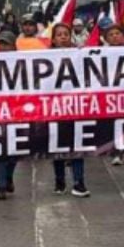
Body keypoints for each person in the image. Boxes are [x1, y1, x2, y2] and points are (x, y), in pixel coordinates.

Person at [48, 23, 90, 198]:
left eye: (66, 34)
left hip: (74, 107)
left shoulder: (79, 55)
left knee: (77, 146)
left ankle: (79, 182)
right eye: (59, 34)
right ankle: (59, 180)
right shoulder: (45, 57)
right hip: (53, 108)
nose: (63, 37)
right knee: (57, 146)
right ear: (54, 38)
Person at [0, 31, 20, 200]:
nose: (2, 47)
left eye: (6, 44)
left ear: (13, 46)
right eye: (0, 44)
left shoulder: (24, 62)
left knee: (15, 151)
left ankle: (9, 175)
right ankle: (1, 186)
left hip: (18, 113)